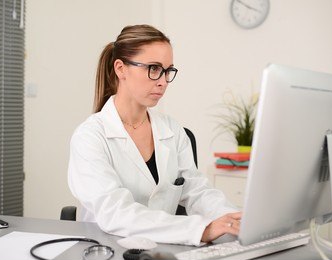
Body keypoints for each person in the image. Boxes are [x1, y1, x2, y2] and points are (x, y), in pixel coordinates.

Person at [68, 24, 241, 246]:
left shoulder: (172, 130)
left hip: (163, 250)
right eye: (153, 68)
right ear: (121, 69)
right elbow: (115, 213)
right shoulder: (90, 136)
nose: (163, 81)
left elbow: (198, 190)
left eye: (168, 71)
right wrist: (201, 230)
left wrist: (233, 220)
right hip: (108, 251)